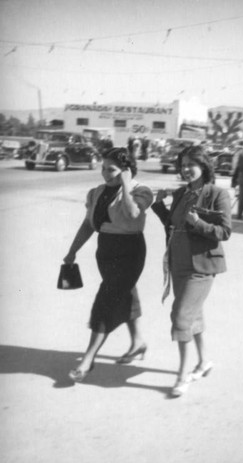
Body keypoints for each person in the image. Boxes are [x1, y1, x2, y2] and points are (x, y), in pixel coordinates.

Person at [63, 147, 154, 382]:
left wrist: (125, 184)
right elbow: (88, 225)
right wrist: (72, 251)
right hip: (105, 251)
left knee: (106, 300)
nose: (105, 174)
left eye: (111, 170)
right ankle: (138, 342)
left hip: (130, 252)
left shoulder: (141, 191)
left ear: (126, 171)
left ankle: (87, 360)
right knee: (124, 293)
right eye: (103, 168)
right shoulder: (96, 192)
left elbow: (133, 213)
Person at [151, 145, 232, 397]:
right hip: (178, 263)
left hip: (202, 266)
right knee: (193, 316)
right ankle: (203, 362)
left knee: (182, 317)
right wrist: (158, 205)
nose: (185, 170)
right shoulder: (180, 194)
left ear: (204, 166)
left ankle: (182, 375)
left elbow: (224, 232)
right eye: (182, 165)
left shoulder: (218, 194)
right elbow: (173, 224)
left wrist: (198, 223)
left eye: (190, 165)